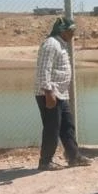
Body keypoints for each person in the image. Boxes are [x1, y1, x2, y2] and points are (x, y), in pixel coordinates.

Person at [33, 17, 91, 171]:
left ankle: (74, 156)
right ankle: (45, 161)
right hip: (50, 93)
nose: (73, 33)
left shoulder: (61, 44)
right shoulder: (51, 44)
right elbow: (43, 69)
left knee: (67, 126)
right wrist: (48, 92)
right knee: (52, 127)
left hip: (60, 93)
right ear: (61, 30)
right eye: (70, 30)